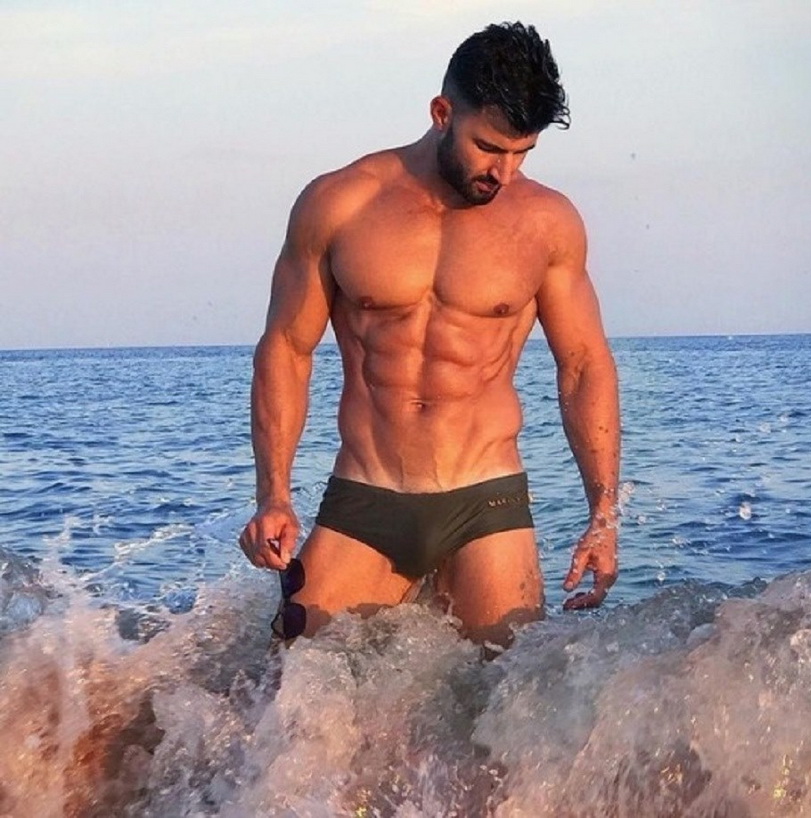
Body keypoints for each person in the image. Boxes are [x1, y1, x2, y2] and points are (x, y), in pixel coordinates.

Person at [239, 22, 620, 648]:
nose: (505, 172)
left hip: (486, 502)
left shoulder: (547, 223)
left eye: (522, 153)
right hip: (367, 495)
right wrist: (273, 495)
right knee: (286, 681)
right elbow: (286, 348)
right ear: (442, 113)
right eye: (489, 148)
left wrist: (602, 515)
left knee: (506, 694)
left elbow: (583, 363)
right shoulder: (339, 204)